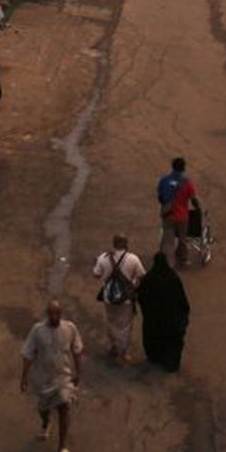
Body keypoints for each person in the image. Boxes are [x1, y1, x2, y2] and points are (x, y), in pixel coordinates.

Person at [20, 299, 84, 452]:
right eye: (51, 313)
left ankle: (62, 446)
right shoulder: (37, 331)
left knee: (64, 406)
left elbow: (77, 350)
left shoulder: (69, 329)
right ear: (47, 314)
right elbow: (28, 354)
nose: (55, 316)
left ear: (61, 314)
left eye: (57, 313)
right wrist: (24, 377)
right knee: (43, 408)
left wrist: (78, 372)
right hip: (44, 379)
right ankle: (45, 422)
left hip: (63, 378)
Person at [91, 233, 147, 362]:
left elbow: (96, 274)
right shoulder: (133, 258)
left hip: (108, 297)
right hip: (126, 298)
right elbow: (142, 274)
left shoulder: (103, 257)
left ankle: (113, 346)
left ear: (114, 244)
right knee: (125, 325)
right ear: (125, 244)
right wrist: (134, 283)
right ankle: (124, 351)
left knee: (111, 321)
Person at [136, 252, 191, 373]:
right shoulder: (172, 278)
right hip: (172, 319)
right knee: (172, 341)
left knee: (154, 337)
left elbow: (141, 296)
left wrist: (148, 311)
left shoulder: (149, 279)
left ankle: (155, 357)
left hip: (154, 318)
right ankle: (171, 364)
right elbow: (181, 298)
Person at [157, 158, 198, 264]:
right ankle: (182, 258)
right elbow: (193, 199)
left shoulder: (164, 180)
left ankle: (168, 263)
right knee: (182, 239)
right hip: (182, 215)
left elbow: (160, 197)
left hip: (168, 215)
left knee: (168, 241)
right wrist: (198, 208)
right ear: (183, 168)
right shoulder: (187, 183)